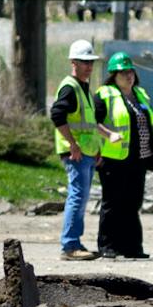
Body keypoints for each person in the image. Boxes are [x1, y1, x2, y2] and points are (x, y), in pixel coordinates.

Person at [94, 52, 153, 259]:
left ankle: (132, 247)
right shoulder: (104, 94)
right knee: (112, 203)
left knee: (133, 203)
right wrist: (107, 135)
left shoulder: (140, 94)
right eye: (123, 73)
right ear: (113, 75)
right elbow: (92, 122)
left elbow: (147, 125)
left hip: (138, 159)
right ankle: (107, 246)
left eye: (130, 71)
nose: (128, 76)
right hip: (113, 159)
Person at [49, 39, 106, 260]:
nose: (89, 66)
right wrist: (72, 144)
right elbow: (57, 115)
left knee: (80, 198)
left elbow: (89, 125)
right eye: (84, 62)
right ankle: (70, 245)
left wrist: (97, 149)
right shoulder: (70, 87)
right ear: (73, 62)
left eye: (91, 62)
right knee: (77, 197)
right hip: (76, 153)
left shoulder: (83, 88)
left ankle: (74, 242)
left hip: (87, 153)